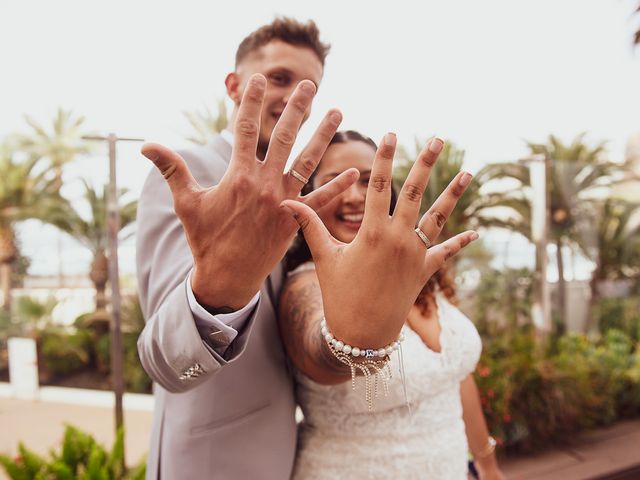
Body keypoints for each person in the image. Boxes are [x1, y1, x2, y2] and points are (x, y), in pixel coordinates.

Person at [137, 17, 476, 480]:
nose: (293, 95)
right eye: (278, 78)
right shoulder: (192, 177)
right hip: (218, 464)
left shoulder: (301, 200)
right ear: (234, 85)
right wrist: (223, 284)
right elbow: (167, 364)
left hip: (296, 455)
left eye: (309, 87)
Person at [278, 131, 505, 479]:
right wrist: (356, 341)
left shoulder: (417, 271)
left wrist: (488, 467)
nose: (355, 197)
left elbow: (456, 378)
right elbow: (320, 353)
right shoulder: (303, 284)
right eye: (337, 183)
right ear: (311, 195)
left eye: (369, 182)